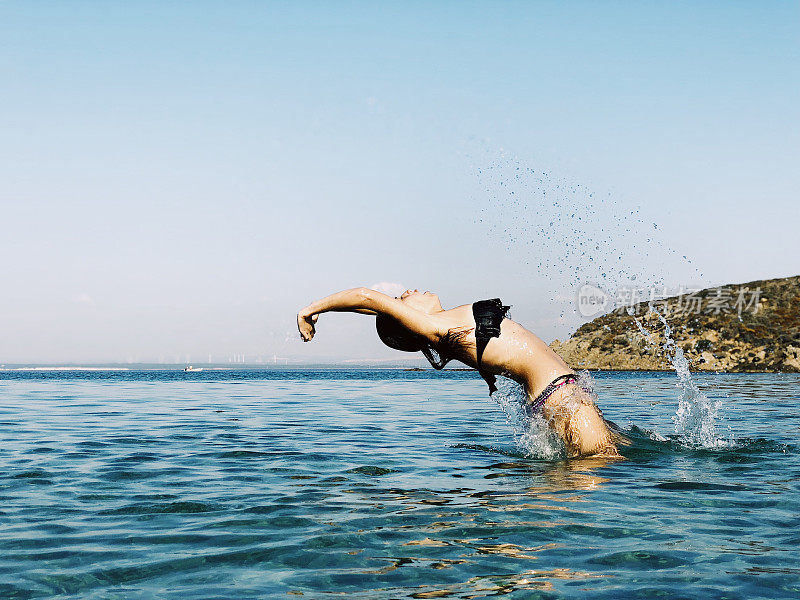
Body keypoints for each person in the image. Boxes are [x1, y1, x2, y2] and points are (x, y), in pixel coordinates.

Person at [297, 287, 622, 457]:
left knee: (594, 471)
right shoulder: (437, 328)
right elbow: (368, 298)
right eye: (399, 299)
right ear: (405, 318)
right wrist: (310, 310)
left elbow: (370, 305)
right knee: (607, 473)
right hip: (562, 399)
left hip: (558, 398)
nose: (407, 290)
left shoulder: (450, 326)